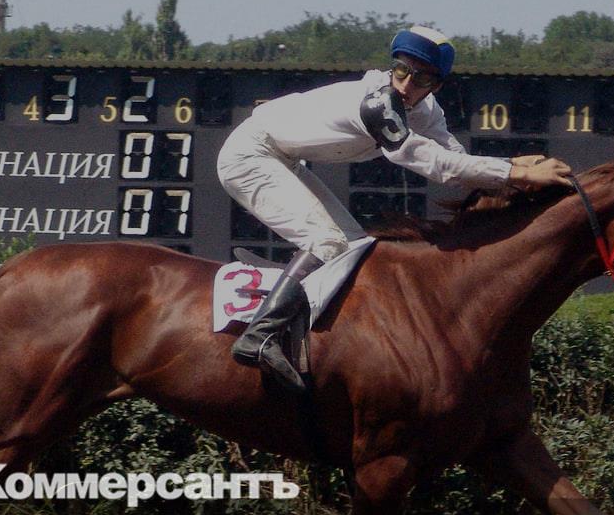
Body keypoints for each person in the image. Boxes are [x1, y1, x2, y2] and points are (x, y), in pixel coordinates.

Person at [217, 25, 572, 393]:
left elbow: (455, 159)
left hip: (282, 158)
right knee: (328, 243)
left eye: (421, 78)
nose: (406, 83)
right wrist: (517, 172)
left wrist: (516, 169)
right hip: (251, 156)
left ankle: (295, 323)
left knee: (353, 247)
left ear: (437, 86)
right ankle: (260, 335)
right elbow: (436, 165)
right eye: (402, 70)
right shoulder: (377, 104)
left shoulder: (427, 111)